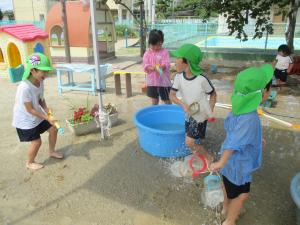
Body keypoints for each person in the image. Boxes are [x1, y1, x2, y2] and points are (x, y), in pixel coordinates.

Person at [210, 64, 273, 225]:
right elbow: (234, 141)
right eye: (269, 89)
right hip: (239, 164)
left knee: (227, 185)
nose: (270, 92)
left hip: (230, 164)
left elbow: (234, 131)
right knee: (241, 195)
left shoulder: (238, 109)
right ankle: (229, 221)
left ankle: (225, 208)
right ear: (263, 93)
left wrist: (256, 140)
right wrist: (221, 162)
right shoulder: (250, 118)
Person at [12, 53, 64, 170]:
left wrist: (47, 110)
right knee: (37, 142)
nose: (46, 74)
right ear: (33, 71)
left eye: (47, 71)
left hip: (36, 115)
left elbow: (41, 100)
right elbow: (29, 109)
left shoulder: (40, 81)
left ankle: (51, 152)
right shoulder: (24, 88)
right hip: (25, 120)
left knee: (53, 129)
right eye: (43, 71)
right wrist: (47, 117)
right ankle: (29, 163)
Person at [169, 43, 217, 163]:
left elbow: (213, 94)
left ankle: (209, 157)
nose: (175, 61)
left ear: (187, 62)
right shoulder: (179, 77)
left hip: (200, 113)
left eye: (177, 58)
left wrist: (210, 111)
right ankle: (198, 150)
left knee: (189, 142)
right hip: (189, 112)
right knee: (191, 136)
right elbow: (172, 95)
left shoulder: (202, 79)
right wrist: (182, 104)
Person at [143, 29, 171, 105]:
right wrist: (153, 68)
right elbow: (145, 66)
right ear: (150, 43)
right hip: (152, 82)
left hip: (163, 82)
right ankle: (155, 114)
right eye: (153, 45)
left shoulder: (164, 52)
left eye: (159, 45)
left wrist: (162, 67)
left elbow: (167, 63)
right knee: (154, 100)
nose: (156, 47)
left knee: (167, 99)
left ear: (162, 42)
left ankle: (169, 113)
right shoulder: (147, 53)